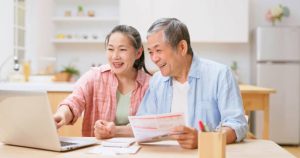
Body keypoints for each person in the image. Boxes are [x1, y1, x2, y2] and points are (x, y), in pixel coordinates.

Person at [137, 18, 248, 149]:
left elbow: (236, 125)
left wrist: (203, 139)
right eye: (150, 52)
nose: (154, 58)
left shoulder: (220, 74)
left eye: (159, 50)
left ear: (182, 47)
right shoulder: (157, 81)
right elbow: (142, 125)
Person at [53, 25, 151, 139]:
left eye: (122, 49)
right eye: (110, 49)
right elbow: (74, 100)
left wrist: (116, 131)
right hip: (97, 151)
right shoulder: (95, 76)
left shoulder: (149, 84)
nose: (115, 56)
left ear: (138, 53)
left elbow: (149, 126)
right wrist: (62, 114)